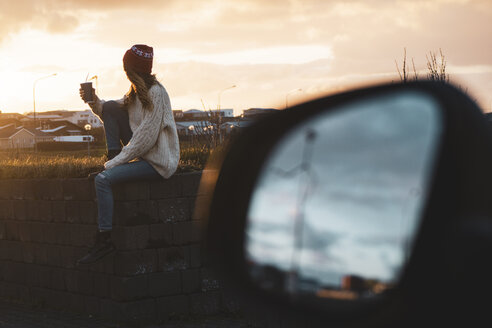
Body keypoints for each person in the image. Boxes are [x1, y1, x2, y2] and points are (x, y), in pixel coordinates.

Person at [77, 44, 180, 264]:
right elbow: (109, 111)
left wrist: (113, 164)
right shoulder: (134, 92)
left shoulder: (156, 93)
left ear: (133, 70)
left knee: (103, 180)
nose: (125, 73)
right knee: (112, 107)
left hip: (158, 163)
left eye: (126, 69)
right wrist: (92, 100)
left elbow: (145, 138)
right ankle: (112, 156)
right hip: (143, 157)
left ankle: (104, 240)